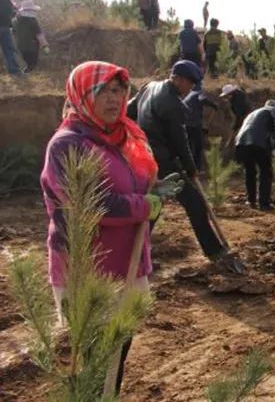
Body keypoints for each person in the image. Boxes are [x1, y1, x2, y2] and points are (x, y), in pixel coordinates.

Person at [42, 61, 181, 396]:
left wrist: (153, 187)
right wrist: (145, 205)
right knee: (95, 362)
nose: (113, 98)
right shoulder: (67, 145)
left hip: (129, 262)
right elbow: (92, 203)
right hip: (88, 269)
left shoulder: (124, 137)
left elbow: (132, 184)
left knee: (117, 354)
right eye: (102, 90)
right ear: (81, 95)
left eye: (118, 90)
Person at [128, 61, 243, 272]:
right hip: (162, 162)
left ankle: (135, 254)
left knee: (153, 206)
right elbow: (180, 142)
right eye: (189, 84)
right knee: (195, 204)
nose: (190, 89)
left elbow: (128, 111)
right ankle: (215, 251)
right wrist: (190, 168)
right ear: (178, 79)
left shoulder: (149, 87)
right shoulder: (173, 104)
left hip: (143, 157)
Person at [235, 100, 275, 210]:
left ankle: (251, 201)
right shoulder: (273, 111)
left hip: (241, 143)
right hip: (258, 143)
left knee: (250, 172)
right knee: (266, 172)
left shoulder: (253, 113)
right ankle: (264, 204)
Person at [183, 84, 218, 172]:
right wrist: (213, 105)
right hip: (194, 125)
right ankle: (197, 168)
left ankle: (188, 168)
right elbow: (202, 99)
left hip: (186, 125)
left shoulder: (188, 96)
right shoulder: (198, 93)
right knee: (198, 146)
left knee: (190, 146)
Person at [0, 0, 24, 75]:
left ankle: (14, 71)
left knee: (9, 49)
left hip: (5, 23)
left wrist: (13, 7)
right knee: (9, 48)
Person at [14, 0, 49, 72]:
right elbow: (39, 34)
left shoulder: (16, 21)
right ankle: (31, 70)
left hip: (21, 45)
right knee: (33, 62)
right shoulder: (33, 21)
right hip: (32, 46)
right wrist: (45, 45)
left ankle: (28, 69)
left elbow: (13, 32)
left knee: (26, 60)